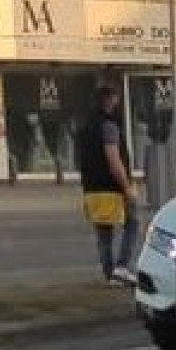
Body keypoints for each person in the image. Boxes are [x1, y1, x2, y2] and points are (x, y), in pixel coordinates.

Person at [77, 85, 137, 286]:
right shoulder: (109, 126)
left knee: (104, 232)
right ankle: (122, 267)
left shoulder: (85, 126)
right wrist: (127, 186)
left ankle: (109, 273)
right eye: (116, 99)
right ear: (111, 100)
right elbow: (113, 159)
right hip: (112, 187)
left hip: (92, 187)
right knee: (133, 221)